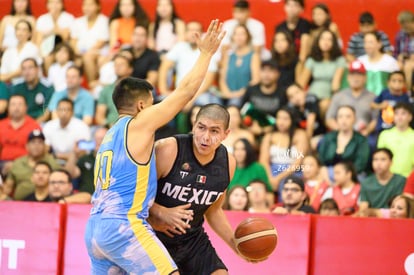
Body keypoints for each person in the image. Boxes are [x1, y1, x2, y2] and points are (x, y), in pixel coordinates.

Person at [84, 19, 225, 274]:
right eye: (151, 103)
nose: (154, 109)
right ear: (140, 106)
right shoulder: (138, 124)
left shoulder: (108, 135)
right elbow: (185, 92)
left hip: (94, 230)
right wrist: (205, 54)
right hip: (123, 227)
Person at [149, 104, 255, 274]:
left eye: (214, 131)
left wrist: (236, 245)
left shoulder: (228, 163)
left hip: (192, 239)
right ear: (193, 125)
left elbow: (214, 211)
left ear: (226, 134)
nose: (205, 137)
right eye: (201, 128)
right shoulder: (167, 149)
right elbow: (130, 195)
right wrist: (160, 212)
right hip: (153, 235)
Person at [298, 29, 346, 117]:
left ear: (334, 43)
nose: (325, 42)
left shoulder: (340, 60)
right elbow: (301, 83)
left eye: (329, 39)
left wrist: (335, 100)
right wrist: (301, 96)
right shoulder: (312, 60)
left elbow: (336, 85)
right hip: (312, 94)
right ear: (318, 41)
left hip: (329, 95)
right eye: (323, 39)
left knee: (325, 106)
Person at [325, 60, 378, 139]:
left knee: (371, 143)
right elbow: (329, 118)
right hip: (341, 133)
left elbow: (376, 119)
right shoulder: (339, 96)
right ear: (348, 78)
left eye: (359, 74)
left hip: (364, 135)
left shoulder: (373, 97)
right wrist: (340, 130)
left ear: (365, 78)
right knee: (322, 142)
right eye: (353, 74)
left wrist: (367, 131)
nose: (355, 78)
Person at [3, 129, 60, 200]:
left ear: (45, 146)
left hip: (46, 203)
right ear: (27, 146)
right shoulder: (18, 163)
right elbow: (8, 187)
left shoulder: (52, 161)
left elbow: (60, 184)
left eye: (40, 142)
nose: (36, 145)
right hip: (19, 204)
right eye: (33, 142)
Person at [319, 105, 370, 179]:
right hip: (328, 174)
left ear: (354, 119)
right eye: (340, 116)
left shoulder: (361, 140)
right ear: (336, 119)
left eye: (348, 117)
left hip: (352, 175)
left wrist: (344, 175)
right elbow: (321, 160)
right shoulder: (328, 137)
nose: (344, 120)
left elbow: (360, 164)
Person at [241, 60, 287, 138]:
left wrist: (265, 130)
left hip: (273, 132)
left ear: (278, 74)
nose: (266, 75)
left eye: (271, 71)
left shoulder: (283, 93)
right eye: (263, 70)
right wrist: (250, 127)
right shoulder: (251, 90)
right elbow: (241, 112)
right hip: (250, 129)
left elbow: (284, 118)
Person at [219, 24, 260, 107]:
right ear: (232, 37)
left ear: (247, 37)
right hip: (227, 95)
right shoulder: (228, 55)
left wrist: (238, 93)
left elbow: (256, 80)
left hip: (244, 96)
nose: (239, 37)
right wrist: (227, 93)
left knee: (234, 103)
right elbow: (222, 79)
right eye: (236, 34)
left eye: (242, 34)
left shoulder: (254, 56)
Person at [70, 0, 109, 86]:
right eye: (85, 5)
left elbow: (100, 43)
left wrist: (85, 53)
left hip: (99, 51)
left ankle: (92, 85)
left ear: (98, 6)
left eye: (91, 5)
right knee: (76, 62)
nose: (87, 7)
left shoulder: (104, 20)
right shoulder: (77, 22)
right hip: (80, 53)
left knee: (88, 57)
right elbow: (73, 41)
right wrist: (77, 52)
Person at [357, 148, 406, 216]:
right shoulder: (366, 183)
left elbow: (403, 207)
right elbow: (363, 208)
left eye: (383, 159)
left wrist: (377, 212)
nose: (378, 163)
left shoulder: (401, 181)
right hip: (373, 221)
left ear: (391, 162)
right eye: (375, 160)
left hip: (395, 218)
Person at [0, 94, 41, 175]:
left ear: (26, 107)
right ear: (8, 108)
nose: (16, 108)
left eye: (20, 104)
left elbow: (38, 151)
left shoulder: (34, 126)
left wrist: (16, 165)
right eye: (13, 104)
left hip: (26, 164)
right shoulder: (1, 125)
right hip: (2, 163)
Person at [43, 98, 91, 165]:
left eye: (67, 110)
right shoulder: (49, 126)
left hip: (76, 162)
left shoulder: (82, 127)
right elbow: (45, 149)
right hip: (53, 161)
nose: (64, 113)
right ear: (56, 111)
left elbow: (84, 152)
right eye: (61, 110)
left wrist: (59, 156)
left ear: (72, 112)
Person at [64, 126, 108, 195]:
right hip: (86, 198)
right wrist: (74, 154)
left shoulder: (117, 160)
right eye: (96, 139)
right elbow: (69, 174)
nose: (98, 142)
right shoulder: (85, 159)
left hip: (107, 198)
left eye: (102, 139)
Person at [95, 52, 133, 127]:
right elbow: (99, 117)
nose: (118, 67)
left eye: (121, 65)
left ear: (130, 69)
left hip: (133, 127)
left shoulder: (138, 89)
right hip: (111, 127)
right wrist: (108, 125)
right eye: (115, 65)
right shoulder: (106, 90)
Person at [11, 57, 54, 123]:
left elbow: (46, 114)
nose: (27, 72)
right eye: (24, 69)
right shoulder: (16, 87)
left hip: (40, 124)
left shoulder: (48, 87)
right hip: (19, 122)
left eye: (30, 68)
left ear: (37, 69)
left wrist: (31, 127)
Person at [377, 102, 414, 177]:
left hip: (408, 178)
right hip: (388, 178)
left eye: (403, 113)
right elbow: (379, 159)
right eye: (396, 113)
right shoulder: (384, 135)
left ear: (410, 117)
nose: (399, 117)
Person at [0, 19, 41, 85]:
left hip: (30, 85)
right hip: (12, 86)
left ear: (30, 34)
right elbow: (2, 75)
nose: (20, 32)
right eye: (18, 29)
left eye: (24, 30)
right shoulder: (9, 51)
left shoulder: (33, 49)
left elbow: (24, 71)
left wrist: (7, 76)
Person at [274, 0, 311, 64]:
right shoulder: (279, 27)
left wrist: (301, 64)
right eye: (289, 5)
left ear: (301, 9)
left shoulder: (305, 24)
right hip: (284, 60)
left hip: (301, 61)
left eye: (295, 5)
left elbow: (305, 47)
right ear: (285, 7)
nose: (291, 8)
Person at [395, 11, 414, 91]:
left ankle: (409, 92)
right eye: (403, 25)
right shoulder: (400, 34)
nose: (405, 28)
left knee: (408, 67)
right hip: (404, 60)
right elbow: (396, 52)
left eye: (407, 24)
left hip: (411, 61)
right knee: (397, 65)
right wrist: (399, 57)